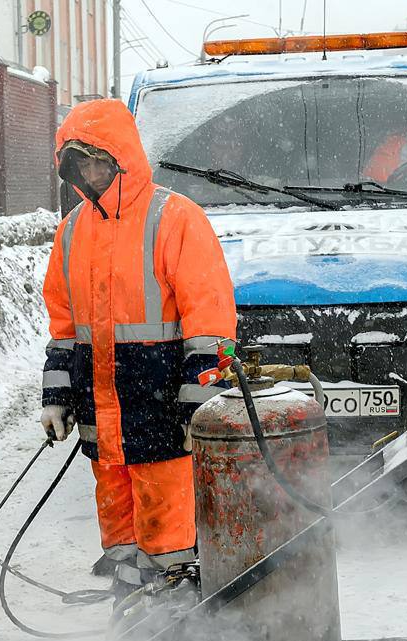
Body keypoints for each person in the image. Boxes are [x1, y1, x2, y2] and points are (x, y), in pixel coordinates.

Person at [40, 99, 237, 601]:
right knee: (118, 524)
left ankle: (174, 607)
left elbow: (209, 312)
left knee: (167, 516)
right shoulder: (72, 231)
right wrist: (56, 395)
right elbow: (64, 326)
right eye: (78, 163)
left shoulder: (174, 218)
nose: (89, 173)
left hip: (160, 405)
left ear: (121, 157)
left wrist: (202, 398)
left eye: (97, 160)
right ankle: (131, 608)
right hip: (101, 416)